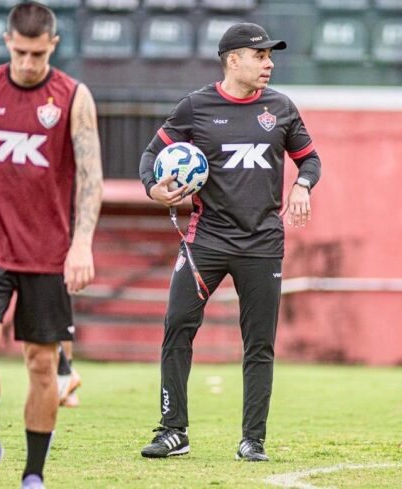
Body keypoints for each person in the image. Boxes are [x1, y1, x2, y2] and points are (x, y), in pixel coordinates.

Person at [0, 2, 103, 488]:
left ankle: (33, 475)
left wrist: (82, 244)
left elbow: (91, 178)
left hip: (48, 252)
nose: (28, 63)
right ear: (8, 41)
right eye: (20, 52)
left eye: (37, 53)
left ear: (53, 44)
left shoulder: (73, 97)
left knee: (42, 363)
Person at [138, 23, 321, 462]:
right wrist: (153, 187)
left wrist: (303, 186)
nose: (269, 63)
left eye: (270, 56)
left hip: (262, 244)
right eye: (260, 56)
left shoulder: (281, 108)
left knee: (259, 344)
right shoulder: (196, 108)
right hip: (207, 240)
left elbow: (309, 158)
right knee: (177, 325)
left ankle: (252, 440)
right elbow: (151, 155)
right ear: (232, 59)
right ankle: (172, 431)